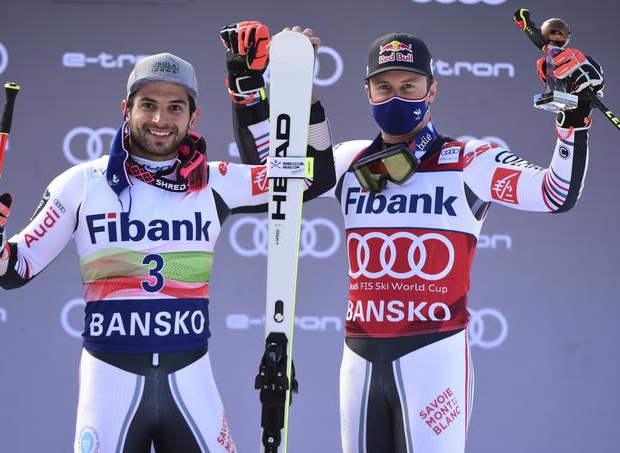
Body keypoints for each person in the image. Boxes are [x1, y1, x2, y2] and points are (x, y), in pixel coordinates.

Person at [0, 21, 334, 452]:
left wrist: (271, 93)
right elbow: (15, 268)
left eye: (175, 107)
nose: (160, 119)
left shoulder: (212, 182)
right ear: (127, 108)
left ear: (193, 115)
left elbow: (313, 176)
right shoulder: (85, 183)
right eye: (148, 105)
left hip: (190, 378)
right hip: (109, 382)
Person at [234, 27, 603, 452]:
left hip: (434, 356)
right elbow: (272, 182)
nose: (396, 96)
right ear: (367, 92)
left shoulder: (469, 161)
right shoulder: (350, 160)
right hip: (359, 357)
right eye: (384, 86)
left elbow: (555, 193)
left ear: (431, 91)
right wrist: (272, 87)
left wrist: (573, 117)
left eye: (409, 85)